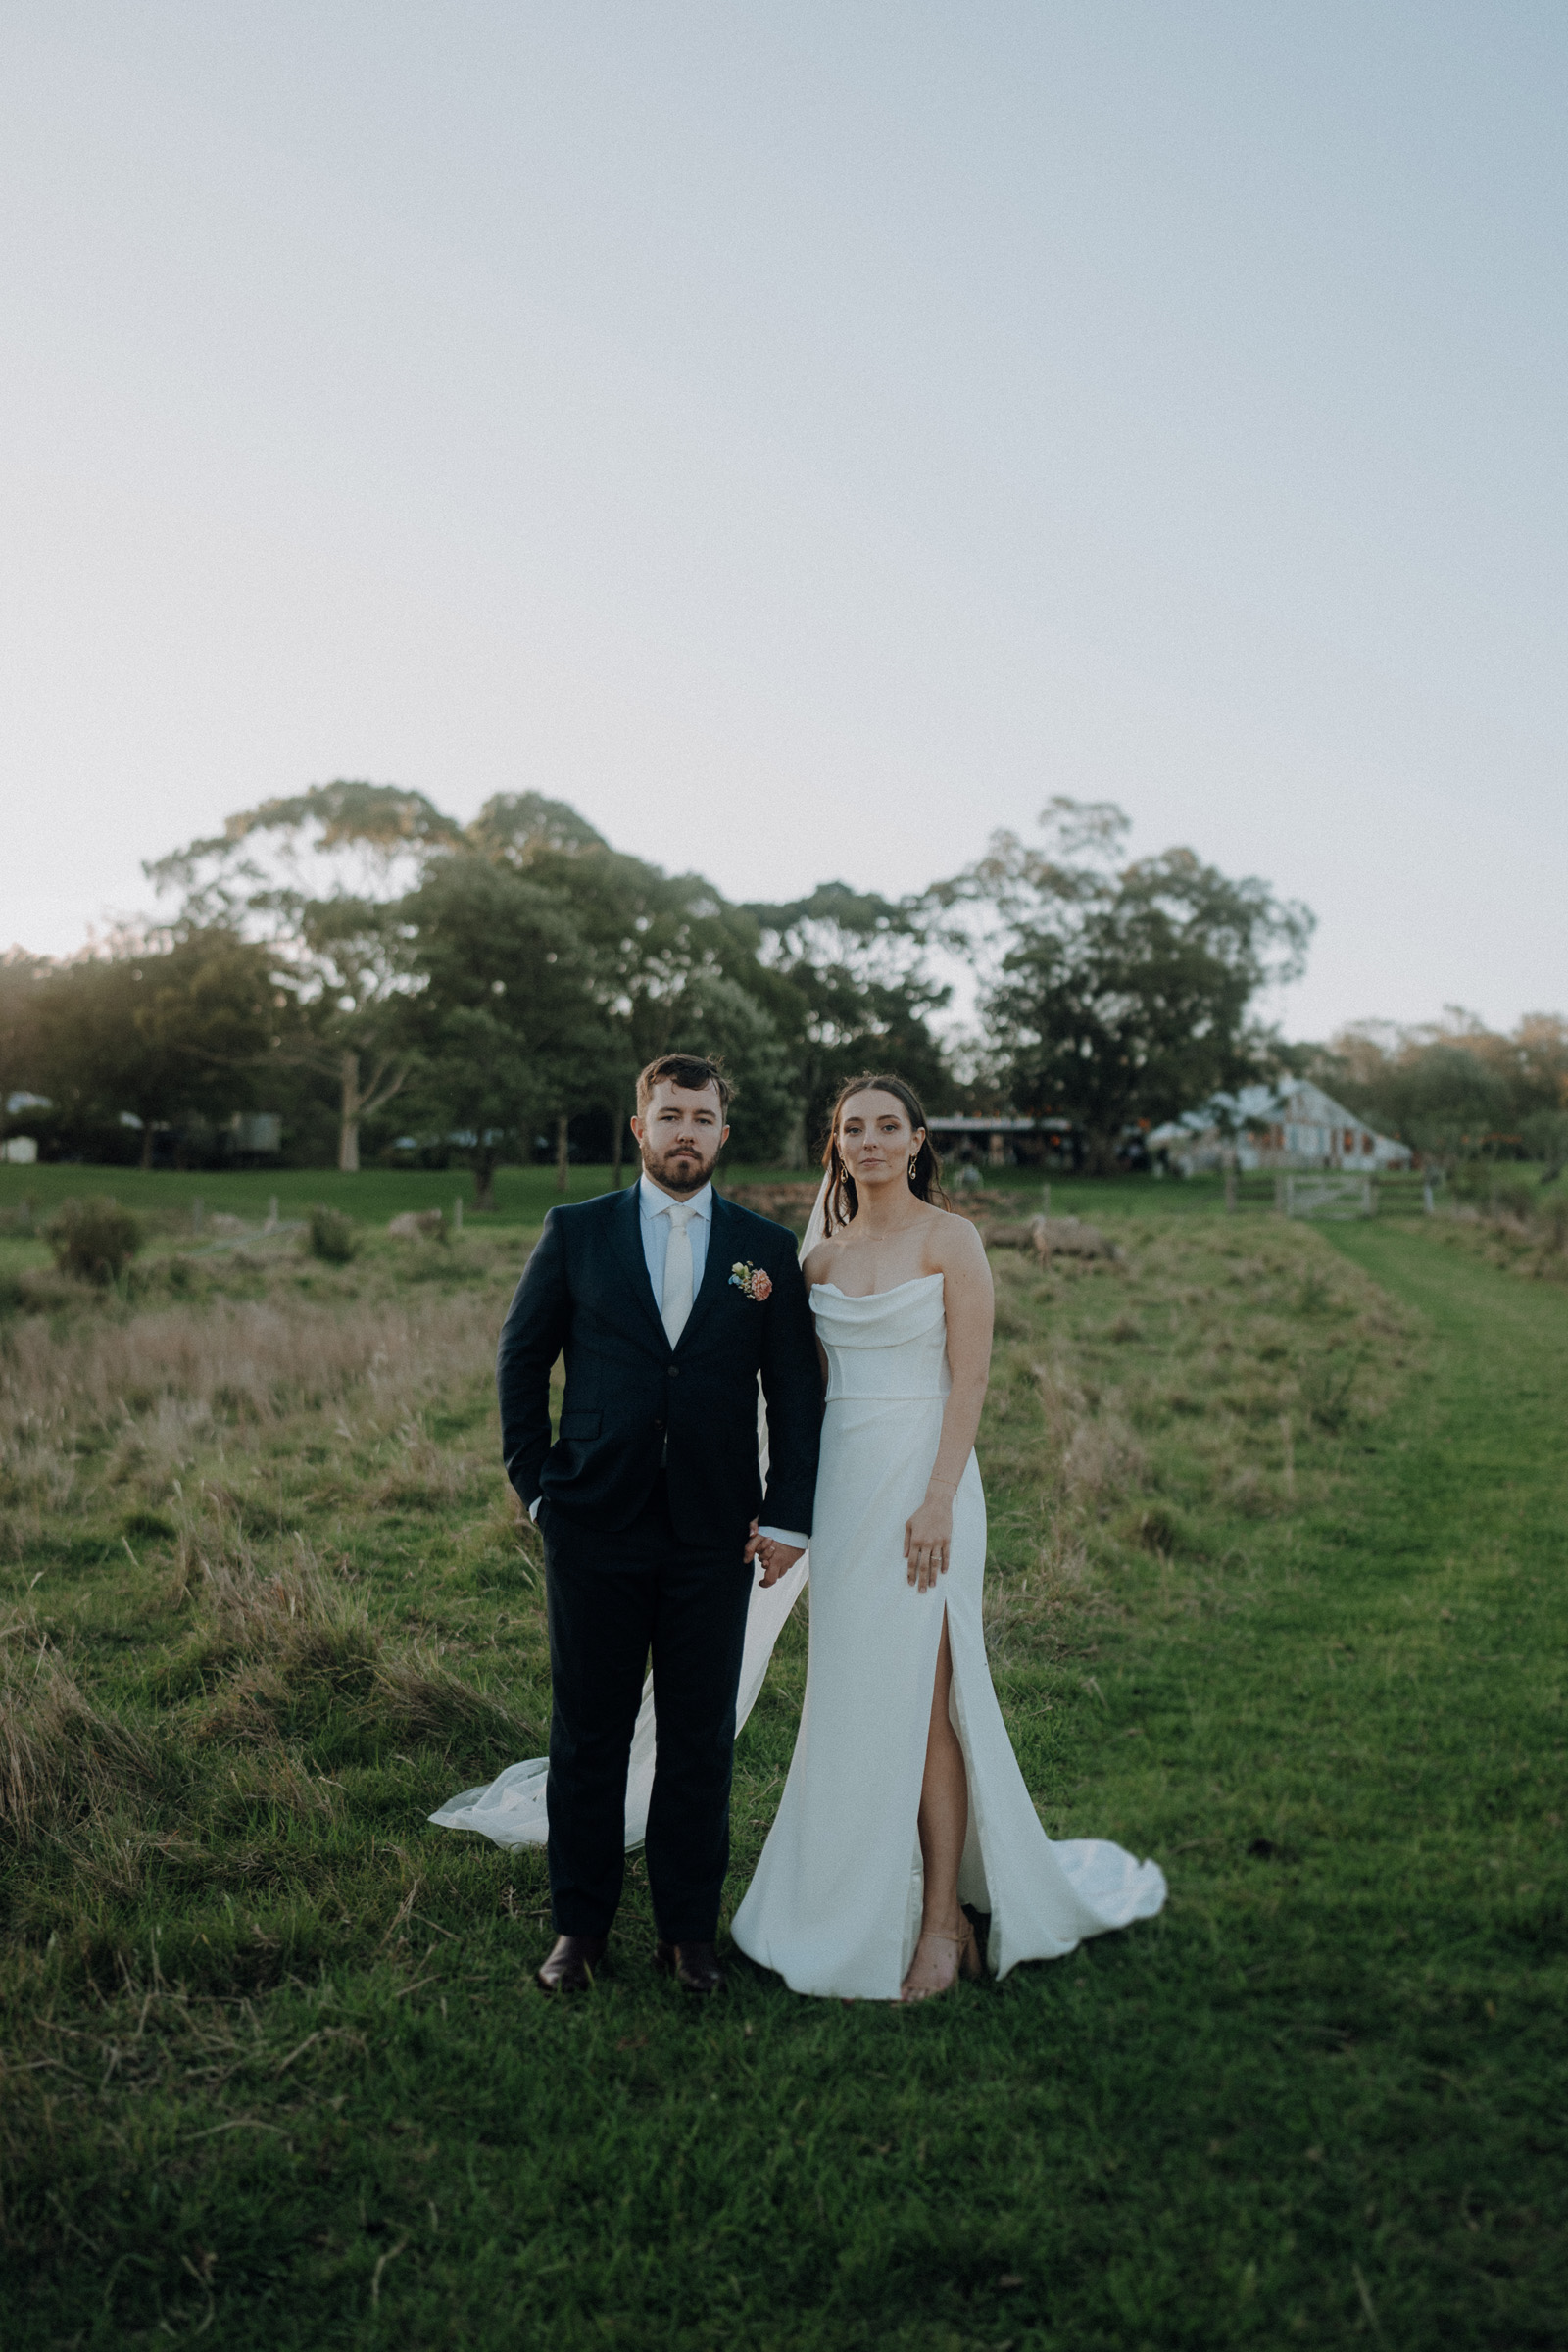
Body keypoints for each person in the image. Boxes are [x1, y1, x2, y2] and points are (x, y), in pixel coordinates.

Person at [731, 1074, 1166, 2002]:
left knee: (931, 1698)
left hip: (927, 1487)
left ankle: (942, 1923)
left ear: (919, 1140)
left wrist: (936, 1499)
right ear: (836, 1144)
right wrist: (785, 1509)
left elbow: (969, 1381)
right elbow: (801, 1407)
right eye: (855, 1128)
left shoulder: (952, 1239)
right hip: (847, 1493)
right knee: (852, 1692)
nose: (871, 1141)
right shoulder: (819, 1262)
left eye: (889, 1126)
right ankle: (847, 1899)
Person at [469, 1054, 822, 1997]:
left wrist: (791, 1512)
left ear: (722, 1136)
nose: (685, 1134)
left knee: (701, 1738)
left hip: (716, 1530)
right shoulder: (576, 1232)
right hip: (593, 1518)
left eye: (702, 1120)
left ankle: (685, 1935)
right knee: (590, 1730)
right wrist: (535, 1486)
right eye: (670, 1116)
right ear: (639, 1128)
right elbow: (520, 1357)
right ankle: (578, 1932)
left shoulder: (764, 1249)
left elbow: (794, 1393)